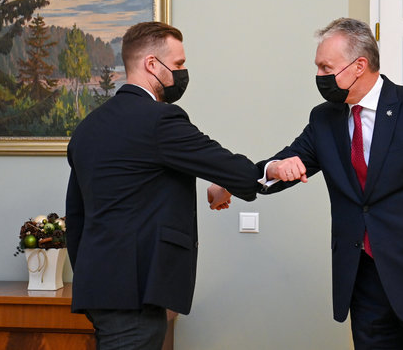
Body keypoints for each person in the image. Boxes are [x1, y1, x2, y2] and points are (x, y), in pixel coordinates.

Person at [235, 18, 403, 349]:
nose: (319, 76)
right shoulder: (324, 118)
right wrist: (258, 173)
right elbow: (285, 163)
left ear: (359, 65)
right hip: (366, 286)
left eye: (325, 67)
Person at [65, 21, 260, 349]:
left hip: (100, 290)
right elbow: (240, 173)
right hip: (135, 292)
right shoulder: (160, 120)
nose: (183, 72)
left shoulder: (87, 128)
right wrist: (271, 169)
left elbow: (77, 218)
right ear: (152, 64)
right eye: (179, 64)